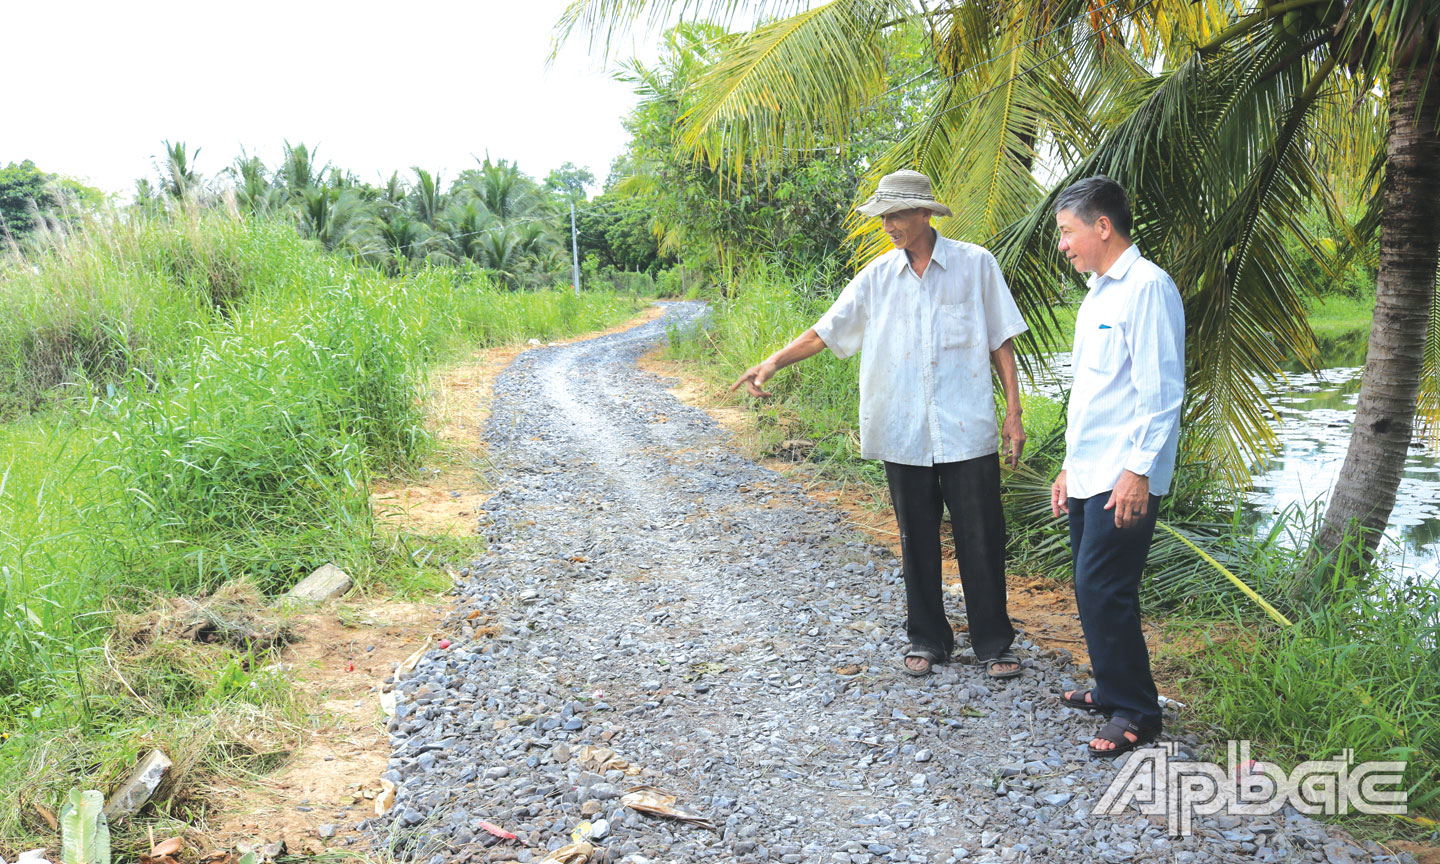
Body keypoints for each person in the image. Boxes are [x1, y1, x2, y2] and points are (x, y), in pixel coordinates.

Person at [732, 169, 1028, 680]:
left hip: (966, 426)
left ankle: (994, 643)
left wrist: (1014, 412)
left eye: (895, 215)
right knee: (917, 537)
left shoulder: (975, 265)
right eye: (883, 216)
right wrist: (773, 362)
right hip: (903, 428)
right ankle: (928, 638)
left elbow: (1001, 339)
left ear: (923, 214)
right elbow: (826, 331)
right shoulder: (876, 278)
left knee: (981, 536)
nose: (887, 225)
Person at [1048, 176, 1185, 758]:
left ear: (1102, 226)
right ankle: (1110, 689)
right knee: (1089, 584)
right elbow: (1096, 396)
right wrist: (1066, 468)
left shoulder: (1147, 288)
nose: (1062, 244)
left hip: (1124, 475)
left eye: (1067, 231)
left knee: (1105, 586)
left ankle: (1136, 710)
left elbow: (1161, 392)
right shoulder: (1098, 293)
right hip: (1091, 468)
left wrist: (1138, 472)